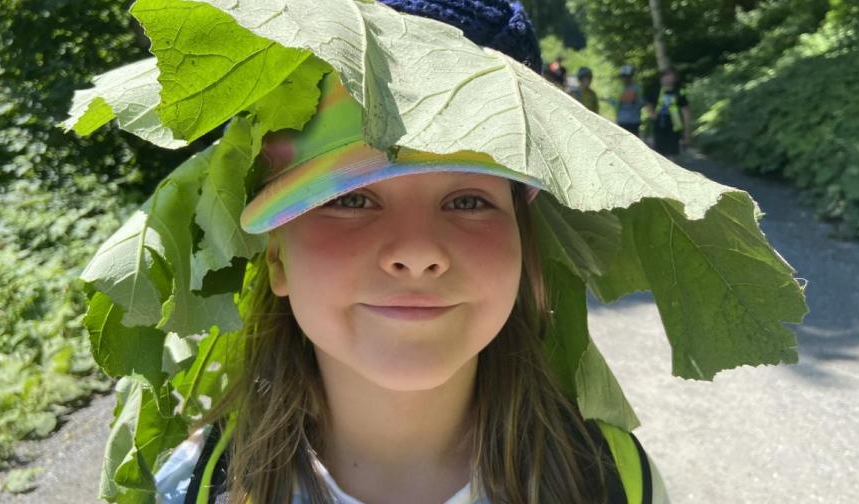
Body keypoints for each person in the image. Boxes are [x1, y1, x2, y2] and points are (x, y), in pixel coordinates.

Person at [153, 1, 669, 503]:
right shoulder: (191, 487)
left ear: (523, 248)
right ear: (277, 258)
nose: (418, 251)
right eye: (351, 199)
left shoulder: (613, 481)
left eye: (468, 201)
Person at [645, 69, 692, 157]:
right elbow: (649, 105)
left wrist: (687, 131)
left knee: (672, 153)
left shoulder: (679, 93)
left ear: (675, 78)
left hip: (674, 126)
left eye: (669, 76)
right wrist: (651, 115)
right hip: (658, 125)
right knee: (659, 153)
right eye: (664, 76)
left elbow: (686, 111)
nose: (666, 78)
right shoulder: (655, 91)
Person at [612, 65, 644, 136]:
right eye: (623, 76)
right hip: (622, 120)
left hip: (634, 120)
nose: (625, 78)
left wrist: (635, 100)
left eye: (627, 76)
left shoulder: (637, 88)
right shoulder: (618, 88)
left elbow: (641, 103)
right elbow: (615, 103)